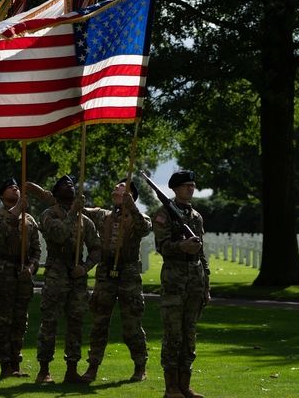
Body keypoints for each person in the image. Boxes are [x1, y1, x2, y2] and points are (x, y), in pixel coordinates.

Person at [79, 178, 152, 383]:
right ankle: (92, 367)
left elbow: (145, 228)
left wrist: (132, 208)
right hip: (105, 274)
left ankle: (140, 366)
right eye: (115, 187)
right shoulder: (104, 215)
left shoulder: (140, 217)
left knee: (131, 324)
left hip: (128, 274)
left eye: (120, 187)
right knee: (99, 322)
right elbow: (80, 210)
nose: (115, 189)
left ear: (131, 195)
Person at [33, 175, 103, 384]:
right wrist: (73, 212)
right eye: (64, 184)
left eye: (72, 184)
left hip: (76, 278)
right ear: (55, 193)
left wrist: (85, 267)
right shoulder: (48, 215)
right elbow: (60, 235)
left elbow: (97, 248)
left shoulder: (85, 221)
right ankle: (44, 370)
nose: (69, 186)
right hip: (56, 274)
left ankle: (71, 369)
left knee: (75, 324)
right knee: (49, 324)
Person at [153, 170, 210, 398]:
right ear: (175, 189)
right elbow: (162, 246)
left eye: (193, 185)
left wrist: (206, 283)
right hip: (174, 280)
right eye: (186, 185)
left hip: (195, 280)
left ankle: (185, 385)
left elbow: (202, 252)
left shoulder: (196, 217)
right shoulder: (164, 214)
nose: (191, 189)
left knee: (189, 335)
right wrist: (181, 247)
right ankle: (171, 387)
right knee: (173, 336)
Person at [0, 178, 41, 377]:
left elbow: (36, 248)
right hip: (3, 271)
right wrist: (17, 209)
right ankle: (5, 364)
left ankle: (16, 361)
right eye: (10, 187)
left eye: (17, 187)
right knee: (5, 319)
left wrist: (32, 266)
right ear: (2, 195)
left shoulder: (30, 219)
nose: (15, 189)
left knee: (20, 320)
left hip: (23, 273)